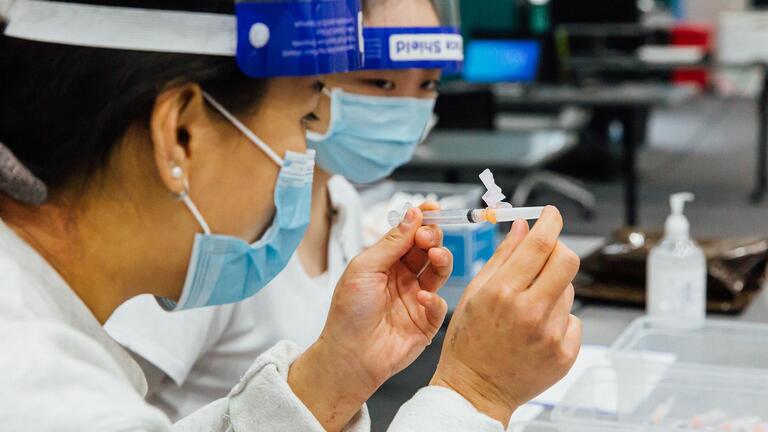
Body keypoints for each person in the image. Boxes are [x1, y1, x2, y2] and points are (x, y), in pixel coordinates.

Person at [0, 1, 582, 431]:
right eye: (306, 118)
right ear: (180, 134)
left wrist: (328, 377)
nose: (310, 159)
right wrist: (475, 392)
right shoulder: (37, 391)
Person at [104, 0, 458, 420]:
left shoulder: (340, 201)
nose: (406, 107)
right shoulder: (214, 234)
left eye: (429, 85)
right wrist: (473, 390)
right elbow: (96, 405)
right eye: (380, 82)